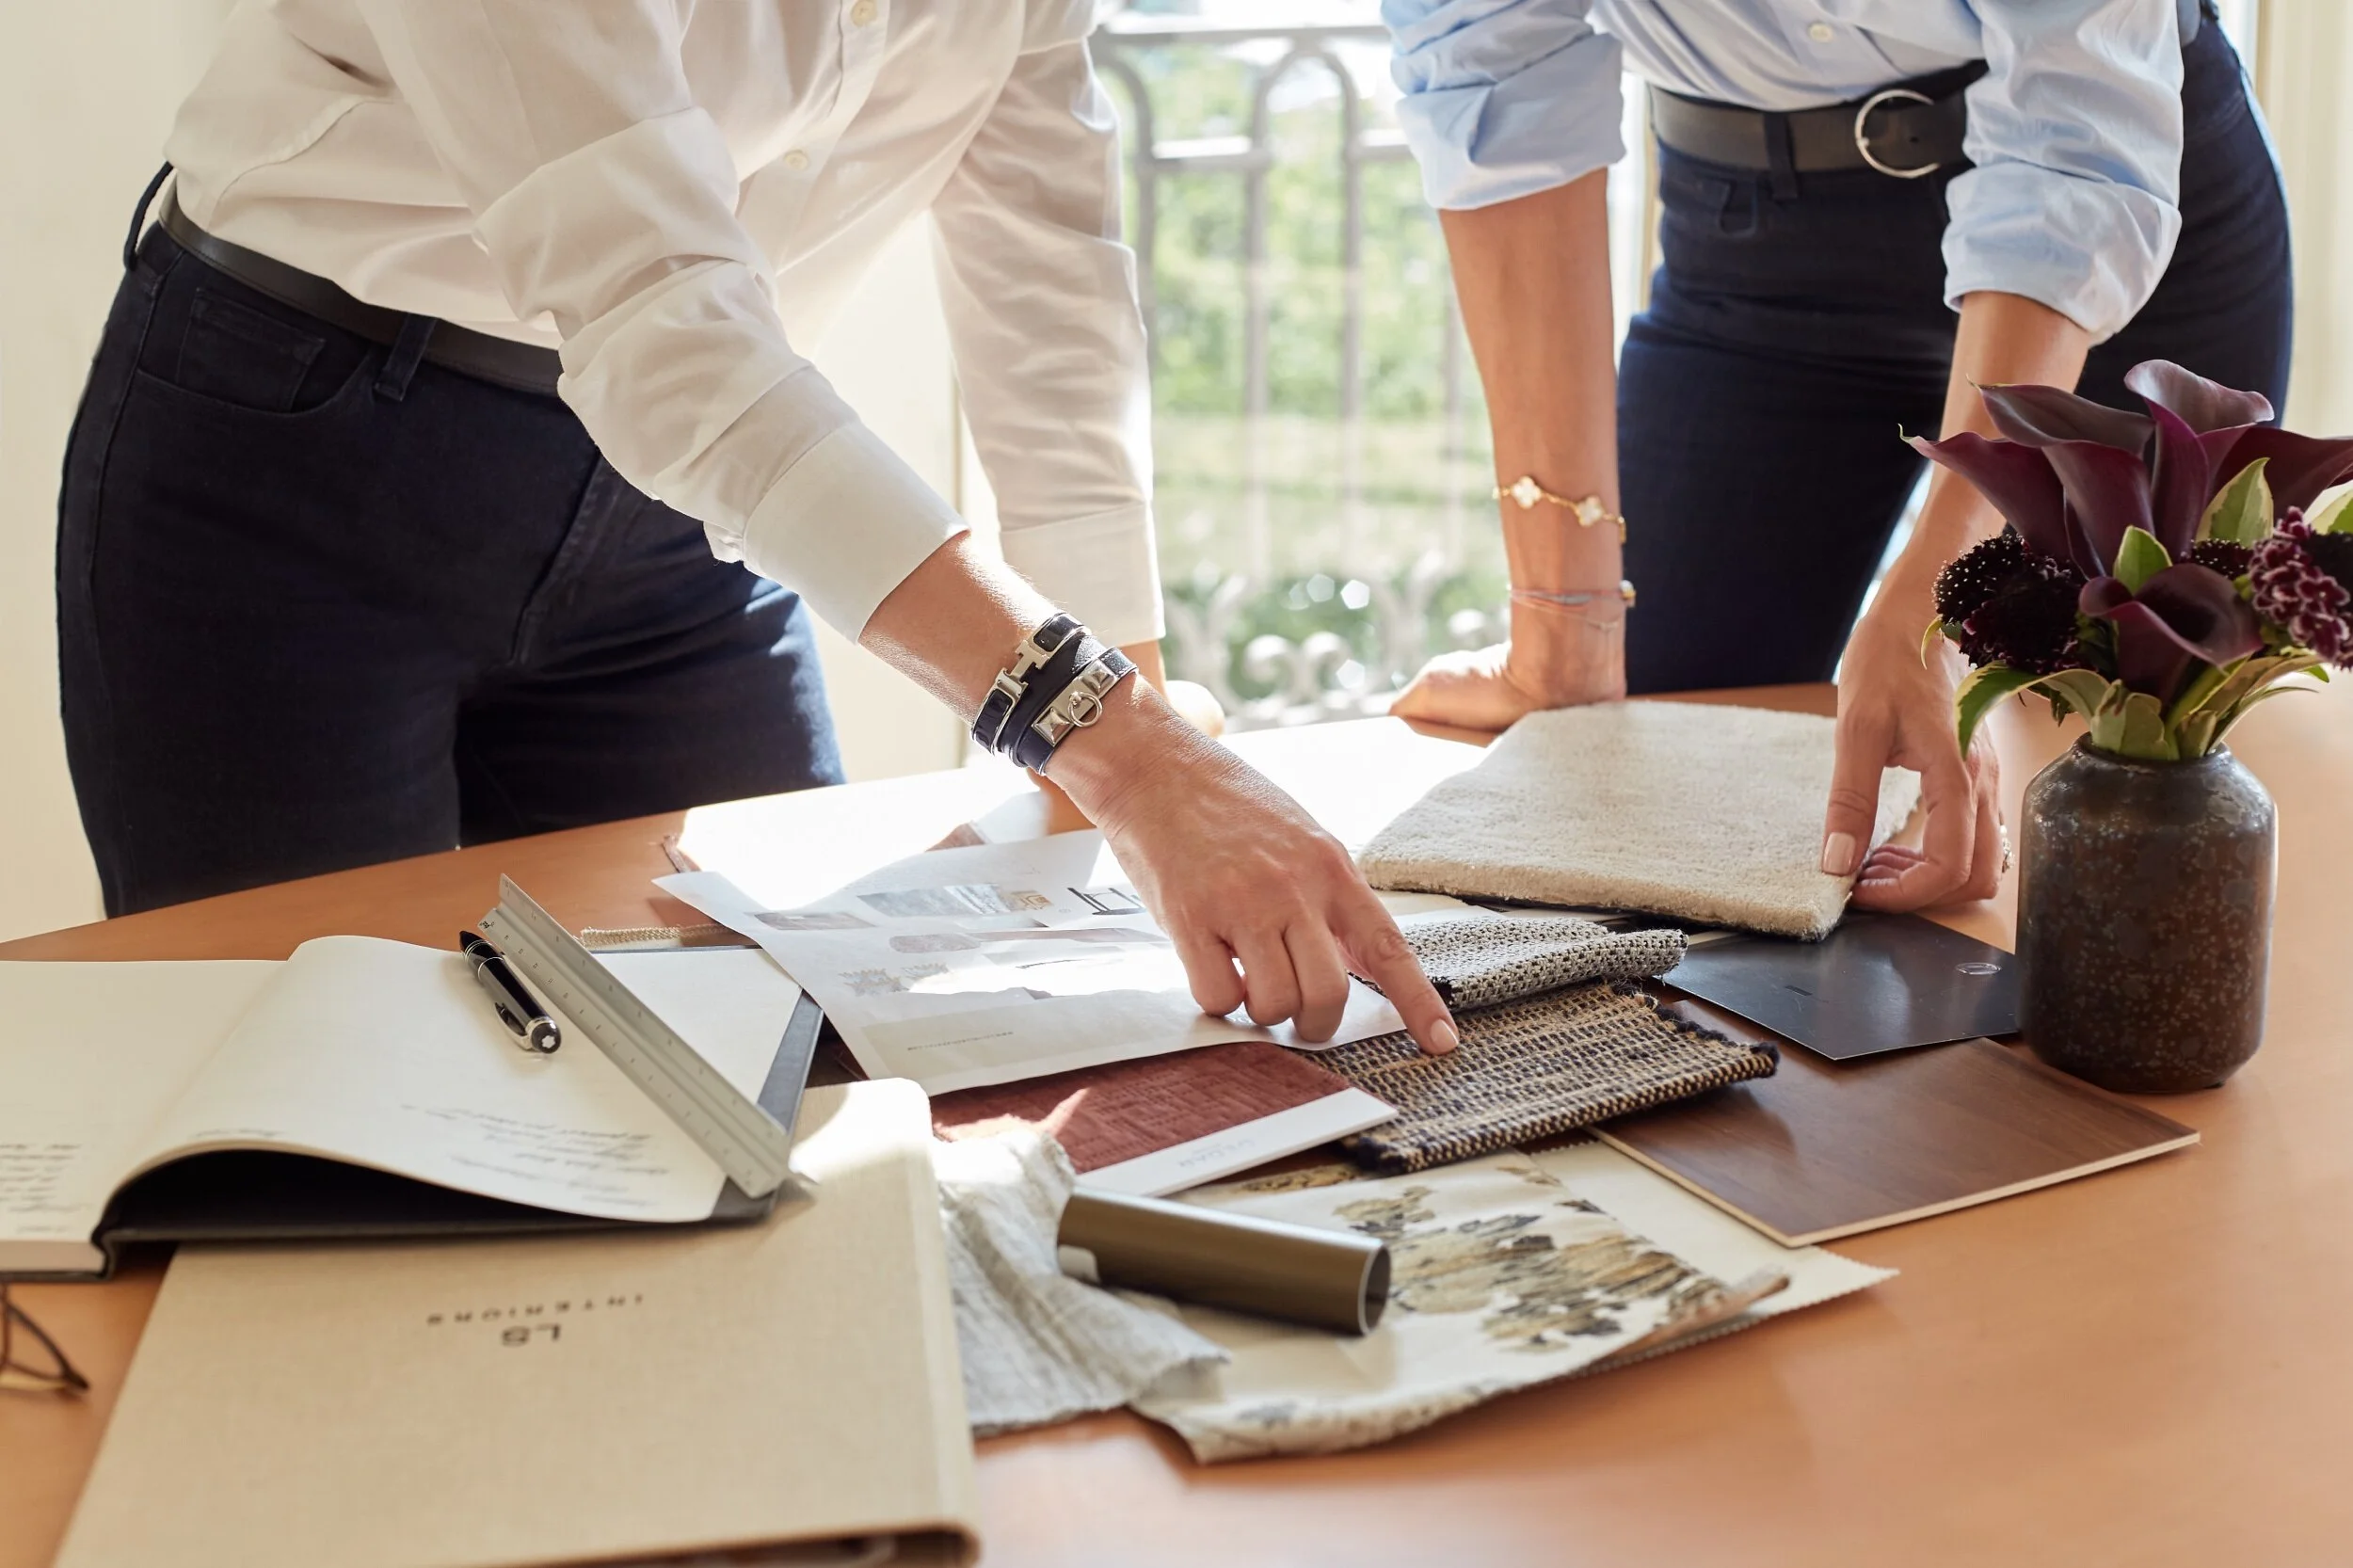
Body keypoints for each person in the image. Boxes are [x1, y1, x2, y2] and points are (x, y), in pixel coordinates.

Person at [56, 0, 1453, 1054]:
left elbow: (1048, 268)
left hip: (681, 514)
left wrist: (1144, 734)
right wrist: (1130, 754)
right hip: (295, 471)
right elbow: (664, 327)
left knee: (782, 1065)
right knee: (324, 1107)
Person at [1379, 0, 2289, 907]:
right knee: (1620, 763)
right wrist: (1562, 625)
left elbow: (2071, 131)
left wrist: (1943, 602)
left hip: (2107, 210)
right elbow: (1495, 73)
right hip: (1753, 240)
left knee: (2137, 791)